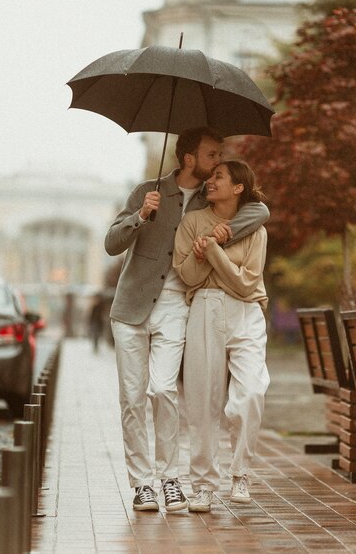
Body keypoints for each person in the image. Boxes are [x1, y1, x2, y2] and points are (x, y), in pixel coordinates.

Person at [104, 127, 269, 513]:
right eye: (212, 156)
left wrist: (226, 232)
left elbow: (260, 209)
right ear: (190, 158)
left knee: (163, 391)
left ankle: (169, 478)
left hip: (177, 303)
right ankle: (143, 483)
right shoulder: (147, 191)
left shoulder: (209, 204)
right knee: (131, 399)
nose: (217, 166)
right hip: (131, 306)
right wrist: (141, 215)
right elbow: (112, 243)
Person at [173, 159, 270, 512]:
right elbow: (187, 276)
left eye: (219, 176)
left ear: (238, 187)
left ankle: (240, 472)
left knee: (251, 392)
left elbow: (247, 283)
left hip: (247, 313)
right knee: (202, 400)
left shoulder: (256, 229)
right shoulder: (193, 222)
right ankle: (202, 486)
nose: (210, 181)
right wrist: (205, 257)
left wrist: (212, 251)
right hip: (205, 307)